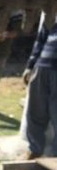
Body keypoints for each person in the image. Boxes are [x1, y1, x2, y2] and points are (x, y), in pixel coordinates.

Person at [24, 12, 57, 158]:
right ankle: (35, 149)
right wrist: (30, 66)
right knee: (36, 111)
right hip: (42, 67)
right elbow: (40, 40)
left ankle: (55, 157)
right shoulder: (52, 13)